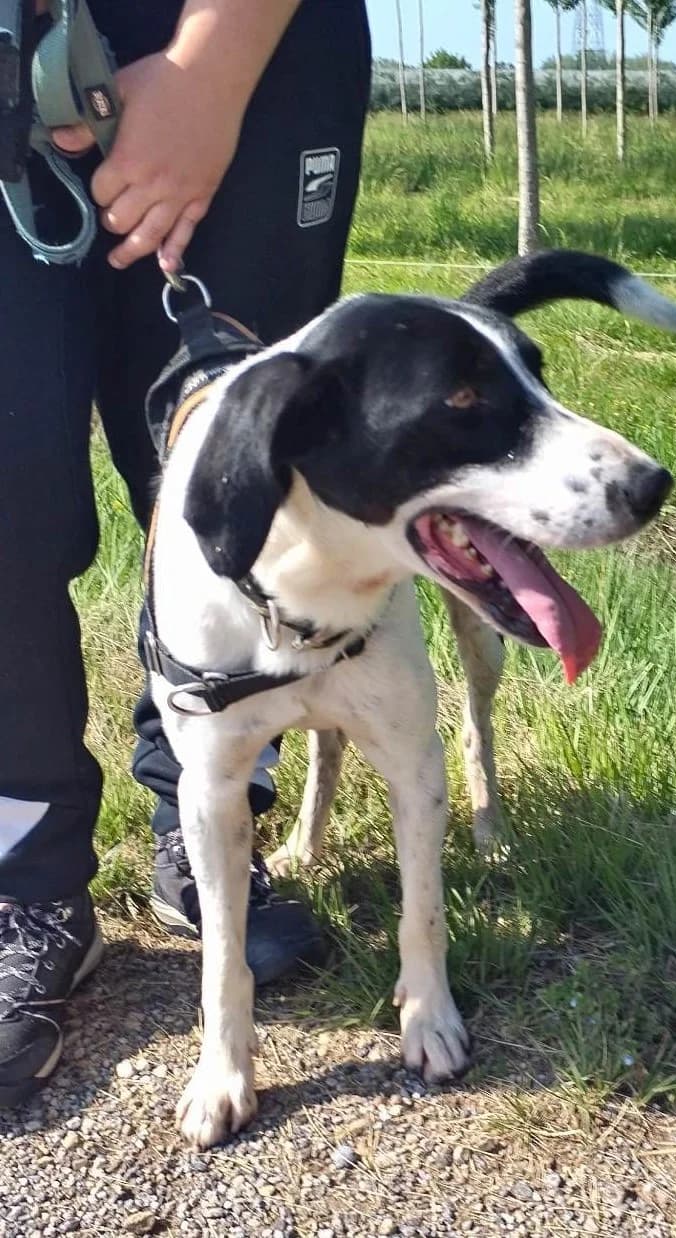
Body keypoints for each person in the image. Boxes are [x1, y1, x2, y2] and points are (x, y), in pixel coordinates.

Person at [0, 0, 371, 1109]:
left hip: (235, 38)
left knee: (234, 461)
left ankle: (206, 821)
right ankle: (23, 879)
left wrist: (213, 70)